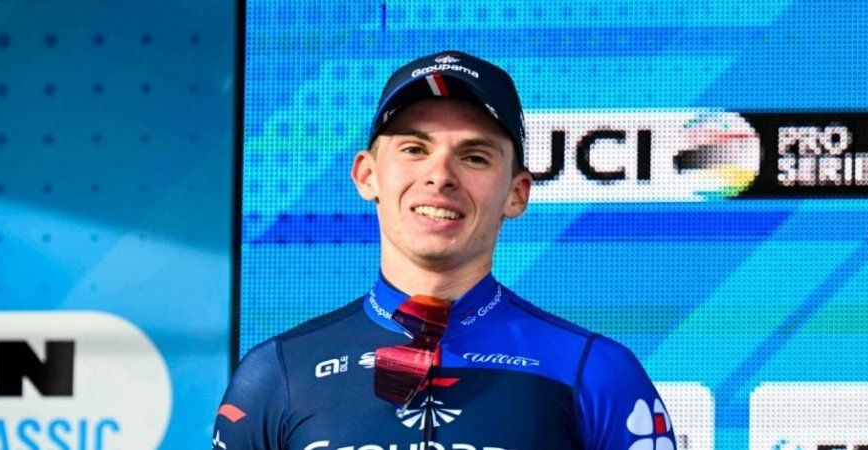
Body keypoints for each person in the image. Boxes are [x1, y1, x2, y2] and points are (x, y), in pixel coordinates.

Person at [213, 51, 676, 450]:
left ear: (517, 193)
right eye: (414, 149)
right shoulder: (278, 372)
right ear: (367, 175)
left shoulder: (594, 371)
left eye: (474, 156)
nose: (440, 176)